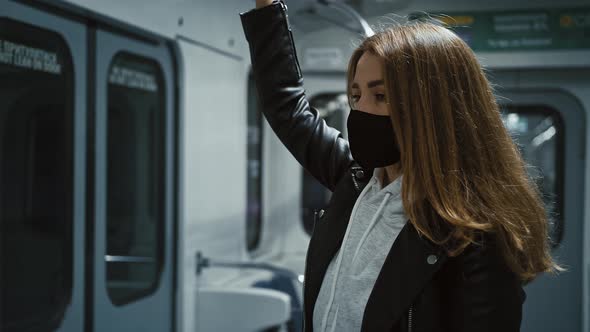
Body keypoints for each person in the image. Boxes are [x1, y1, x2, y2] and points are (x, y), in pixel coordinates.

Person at [240, 1, 560, 331]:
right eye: (355, 95)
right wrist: (267, 9)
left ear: (431, 107)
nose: (360, 111)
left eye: (380, 97)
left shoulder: (477, 237)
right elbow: (287, 109)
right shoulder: (356, 181)